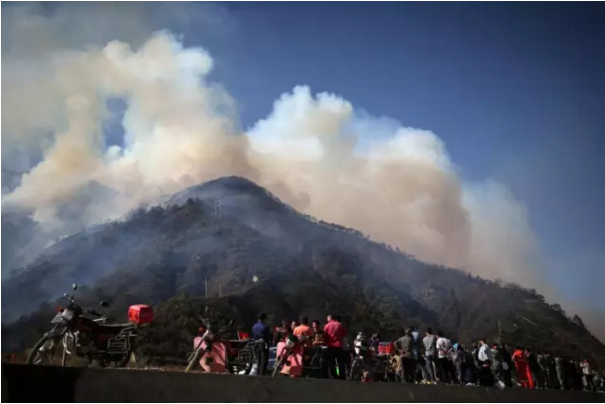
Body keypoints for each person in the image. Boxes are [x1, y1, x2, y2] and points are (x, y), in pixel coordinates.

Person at [323, 314, 347, 380]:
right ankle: (342, 376)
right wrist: (345, 347)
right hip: (339, 346)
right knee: (340, 362)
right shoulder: (340, 325)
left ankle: (334, 375)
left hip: (330, 346)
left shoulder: (326, 326)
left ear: (330, 318)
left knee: (331, 362)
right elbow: (344, 336)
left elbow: (324, 337)